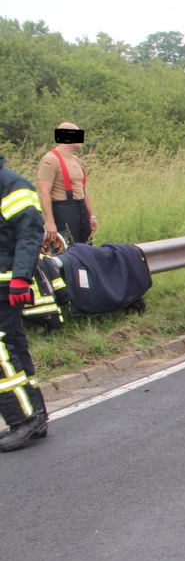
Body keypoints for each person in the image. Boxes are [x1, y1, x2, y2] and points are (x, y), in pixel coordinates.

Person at [0, 155, 50, 451]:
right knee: (14, 346)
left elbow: (30, 233)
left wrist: (21, 276)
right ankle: (36, 416)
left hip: (7, 284)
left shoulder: (11, 184)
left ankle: (23, 420)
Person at [37, 122, 97, 246]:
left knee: (86, 250)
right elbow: (44, 192)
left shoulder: (75, 159)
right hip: (64, 211)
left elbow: (83, 190)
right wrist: (50, 222)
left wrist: (91, 215)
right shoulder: (50, 160)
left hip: (81, 209)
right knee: (69, 252)